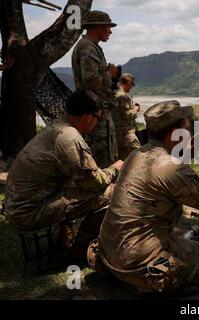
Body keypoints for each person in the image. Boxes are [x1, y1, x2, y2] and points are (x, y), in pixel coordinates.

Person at [92, 100, 199, 295]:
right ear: (175, 135)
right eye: (185, 129)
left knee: (180, 235)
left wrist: (187, 148)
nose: (189, 133)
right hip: (137, 265)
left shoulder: (137, 154)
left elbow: (165, 169)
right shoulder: (170, 167)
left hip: (110, 256)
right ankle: (154, 284)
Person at [3, 89, 123, 251]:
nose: (97, 123)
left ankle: (67, 232)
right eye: (98, 118)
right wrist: (115, 169)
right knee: (113, 192)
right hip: (28, 212)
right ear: (89, 117)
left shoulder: (57, 126)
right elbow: (93, 182)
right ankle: (82, 245)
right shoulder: (69, 137)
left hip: (18, 205)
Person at [71, 10, 119, 168]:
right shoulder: (87, 48)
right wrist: (109, 74)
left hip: (98, 114)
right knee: (100, 163)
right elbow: (91, 83)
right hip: (95, 116)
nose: (110, 31)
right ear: (97, 27)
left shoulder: (91, 47)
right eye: (107, 27)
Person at [113, 73, 141, 160]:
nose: (132, 87)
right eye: (132, 84)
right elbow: (127, 115)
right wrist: (136, 109)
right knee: (137, 158)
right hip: (126, 134)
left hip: (117, 134)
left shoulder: (115, 94)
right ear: (128, 82)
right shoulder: (123, 96)